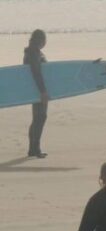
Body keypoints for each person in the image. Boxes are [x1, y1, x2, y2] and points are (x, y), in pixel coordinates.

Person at [24, 29, 48, 158]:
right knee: (40, 117)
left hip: (36, 89)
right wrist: (43, 91)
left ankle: (33, 149)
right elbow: (36, 72)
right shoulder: (33, 52)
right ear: (41, 40)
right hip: (38, 90)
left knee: (38, 118)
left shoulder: (32, 51)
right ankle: (34, 149)